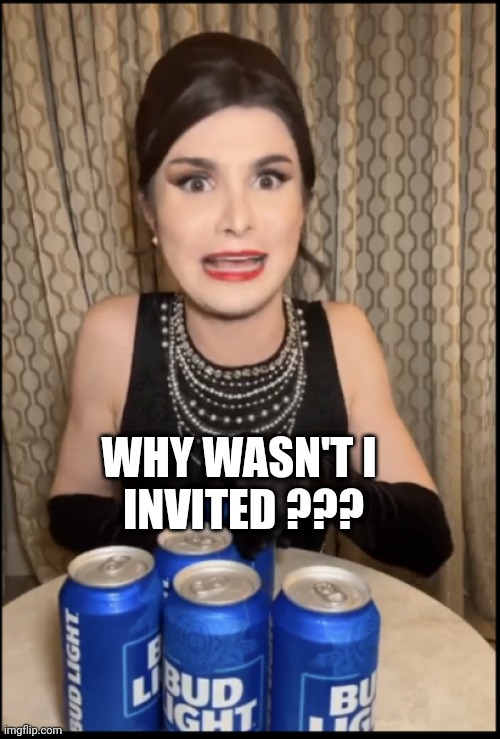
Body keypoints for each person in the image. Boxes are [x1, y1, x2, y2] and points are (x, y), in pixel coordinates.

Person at [47, 31, 453, 577]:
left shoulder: (344, 335)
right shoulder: (113, 334)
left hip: (293, 620)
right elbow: (71, 511)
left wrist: (317, 490)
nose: (237, 219)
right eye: (196, 182)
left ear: (303, 203)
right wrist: (214, 512)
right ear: (148, 210)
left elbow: (427, 537)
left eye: (268, 178)